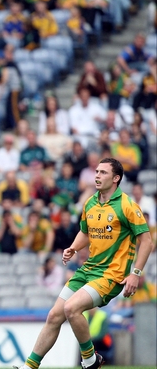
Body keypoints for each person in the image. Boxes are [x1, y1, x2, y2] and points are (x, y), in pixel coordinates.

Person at [14, 158, 153, 369]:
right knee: (54, 316)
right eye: (96, 171)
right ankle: (29, 367)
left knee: (71, 309)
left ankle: (89, 360)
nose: (97, 176)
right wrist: (74, 247)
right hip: (88, 270)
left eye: (103, 173)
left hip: (111, 275)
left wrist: (135, 273)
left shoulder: (127, 205)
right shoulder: (90, 202)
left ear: (116, 178)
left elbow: (147, 240)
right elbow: (86, 231)